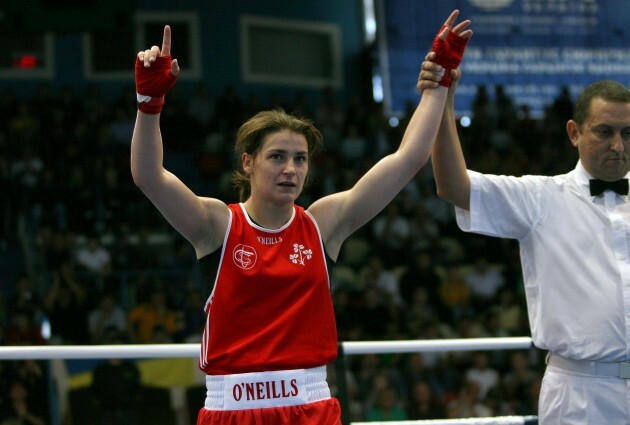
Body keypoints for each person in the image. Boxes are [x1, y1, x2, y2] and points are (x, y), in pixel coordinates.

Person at [131, 10, 471, 424]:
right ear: (248, 163)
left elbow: (407, 159)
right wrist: (149, 105)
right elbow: (150, 176)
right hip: (232, 409)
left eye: (300, 159)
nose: (290, 169)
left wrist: (439, 83)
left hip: (310, 404)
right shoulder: (217, 224)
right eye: (277, 157)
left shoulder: (322, 222)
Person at [420, 47, 630, 422]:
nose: (618, 145)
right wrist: (444, 98)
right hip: (580, 392)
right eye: (605, 132)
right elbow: (454, 186)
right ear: (574, 133)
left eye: (628, 133)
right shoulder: (540, 197)